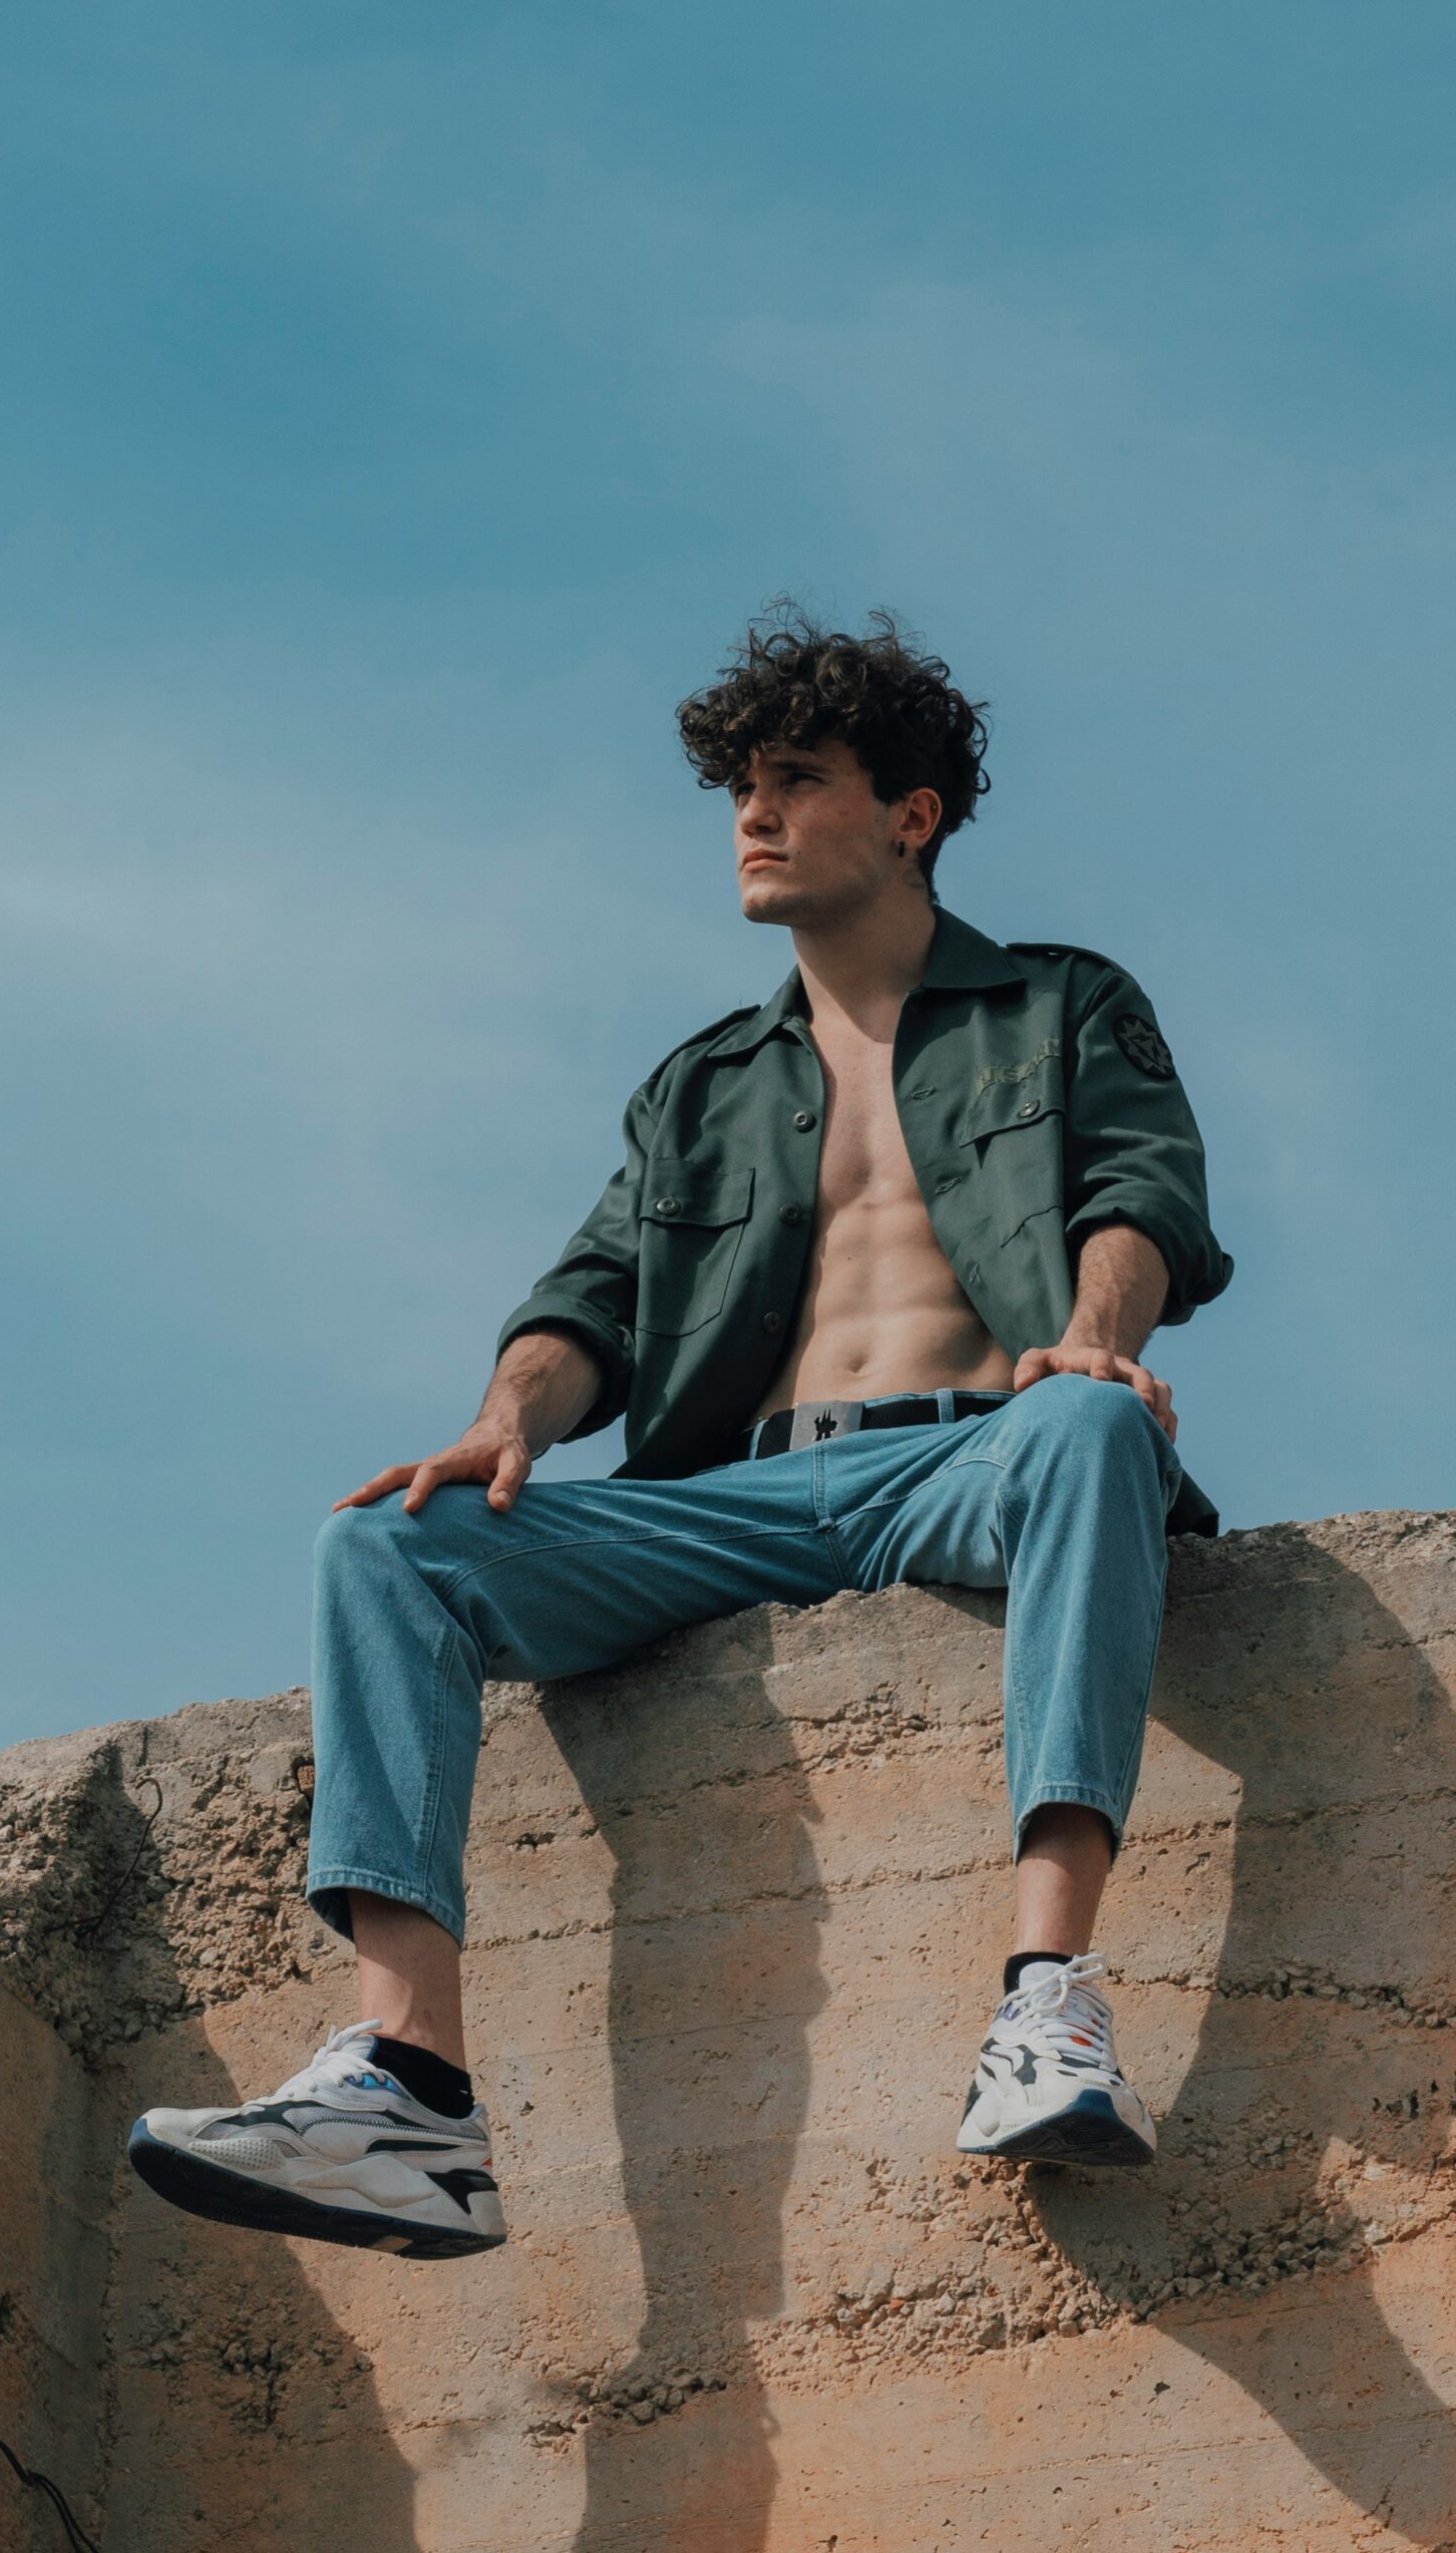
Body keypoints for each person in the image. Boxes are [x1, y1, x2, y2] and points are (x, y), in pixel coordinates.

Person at [129, 604, 1233, 2260]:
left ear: (912, 813)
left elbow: (1141, 1196)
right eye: (739, 788)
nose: (754, 817)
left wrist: (1090, 1346)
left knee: (1093, 1436)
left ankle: (1049, 2001)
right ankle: (409, 2089)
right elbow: (588, 1304)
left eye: (798, 779)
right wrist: (505, 1423)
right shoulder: (704, 1085)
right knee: (384, 1543)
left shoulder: (1060, 1004)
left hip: (974, 1456)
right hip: (735, 1496)